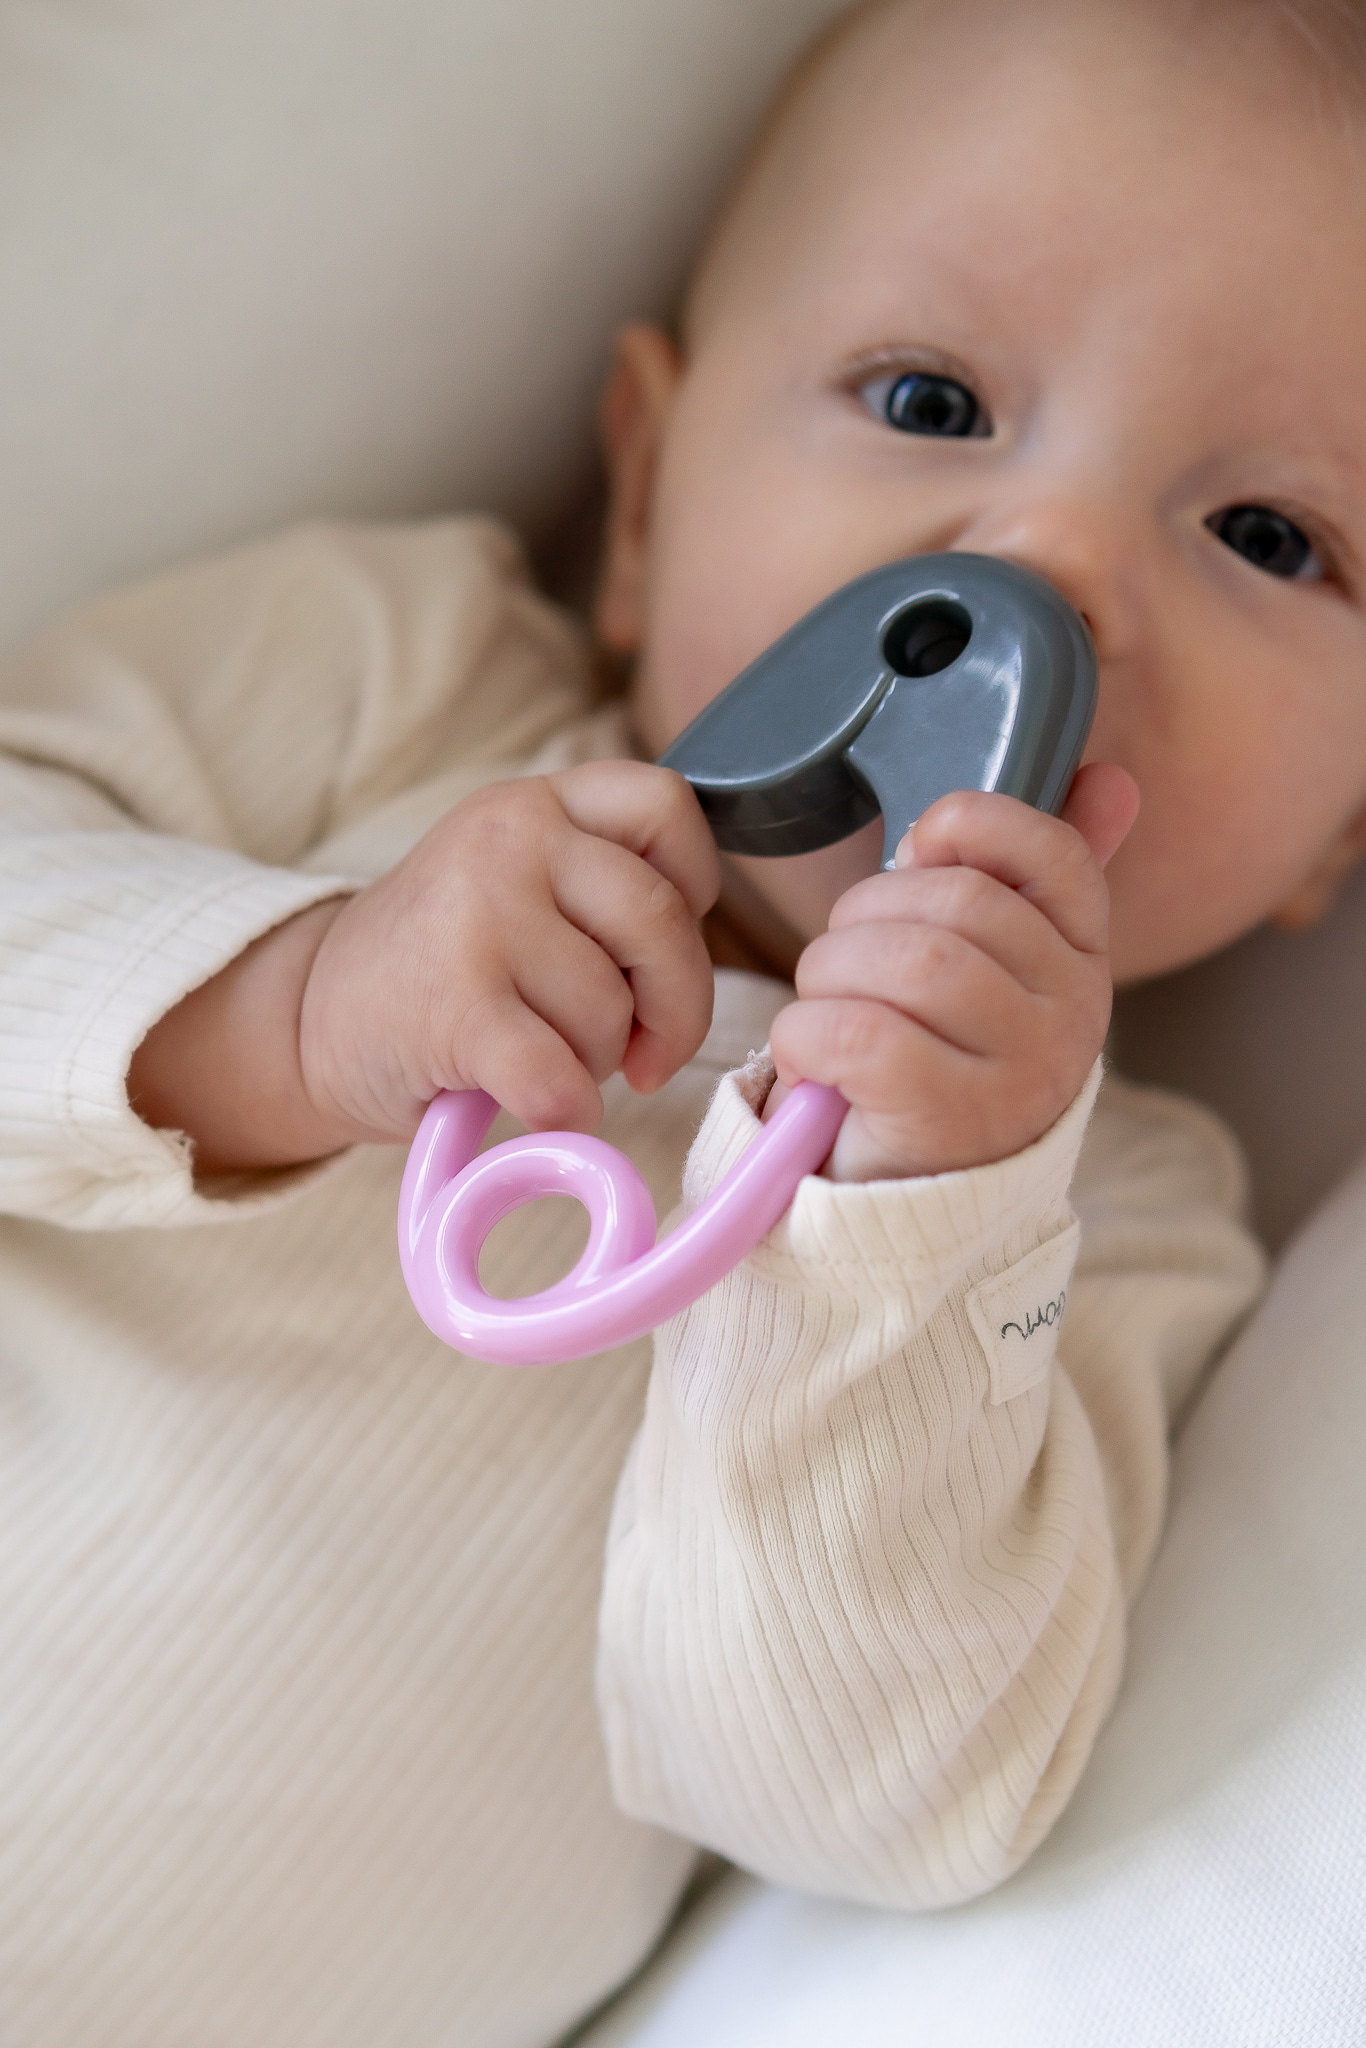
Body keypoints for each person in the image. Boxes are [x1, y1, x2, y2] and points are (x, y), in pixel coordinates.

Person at [2, 0, 1363, 2039]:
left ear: (1336, 832)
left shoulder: (1109, 1234)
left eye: (1268, 535)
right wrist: (294, 1003)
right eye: (927, 397)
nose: (1047, 569)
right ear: (639, 501)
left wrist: (908, 1234)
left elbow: (854, 1803)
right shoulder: (398, 679)